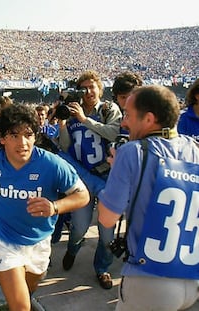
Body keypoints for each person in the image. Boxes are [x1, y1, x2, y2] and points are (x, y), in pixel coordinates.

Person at [0, 104, 90, 311]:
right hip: (3, 238)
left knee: (29, 288)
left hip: (39, 240)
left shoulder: (53, 164)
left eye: (28, 135)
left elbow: (83, 196)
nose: (23, 143)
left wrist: (54, 206)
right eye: (14, 135)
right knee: (20, 307)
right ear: (2, 138)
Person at [98, 85, 199, 310]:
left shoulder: (132, 152)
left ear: (149, 119)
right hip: (190, 277)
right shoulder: (194, 148)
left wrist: (116, 172)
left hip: (149, 281)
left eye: (128, 115)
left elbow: (106, 219)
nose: (124, 122)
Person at [56, 70, 122, 289]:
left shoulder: (107, 109)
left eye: (91, 86)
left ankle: (102, 268)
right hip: (82, 178)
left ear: (99, 88)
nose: (88, 91)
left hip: (106, 176)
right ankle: (73, 248)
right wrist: (63, 123)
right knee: (79, 228)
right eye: (83, 88)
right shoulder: (73, 110)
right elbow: (65, 146)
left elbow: (114, 134)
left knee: (106, 234)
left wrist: (85, 120)